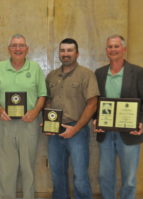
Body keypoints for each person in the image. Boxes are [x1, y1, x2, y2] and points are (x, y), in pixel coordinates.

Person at [94, 35, 143, 199]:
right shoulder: (99, 73)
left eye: (116, 46)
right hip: (105, 133)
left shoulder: (138, 72)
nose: (113, 50)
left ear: (124, 49)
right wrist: (95, 119)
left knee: (129, 180)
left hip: (130, 134)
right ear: (106, 50)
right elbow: (95, 103)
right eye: (109, 47)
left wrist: (142, 123)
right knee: (104, 176)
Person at [0, 34, 47, 199]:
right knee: (6, 169)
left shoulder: (35, 68)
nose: (18, 49)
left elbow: (42, 95)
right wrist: (0, 110)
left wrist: (35, 112)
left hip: (28, 124)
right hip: (5, 124)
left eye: (21, 45)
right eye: (14, 45)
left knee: (28, 168)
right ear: (9, 49)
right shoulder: (0, 67)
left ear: (27, 49)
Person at [45, 38, 99, 199]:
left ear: (77, 53)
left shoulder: (86, 75)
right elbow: (48, 101)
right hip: (55, 131)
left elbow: (92, 105)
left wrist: (75, 129)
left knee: (80, 176)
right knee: (57, 174)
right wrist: (48, 124)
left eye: (69, 50)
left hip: (78, 130)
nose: (66, 54)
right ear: (59, 53)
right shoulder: (51, 76)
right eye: (62, 50)